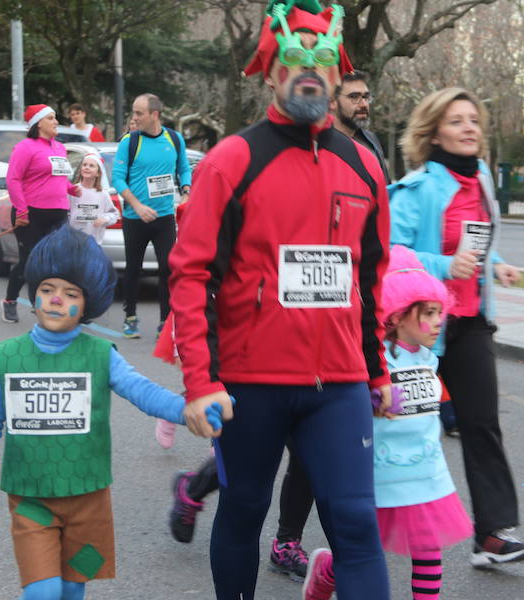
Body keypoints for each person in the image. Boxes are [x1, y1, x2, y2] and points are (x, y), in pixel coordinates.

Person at [168, 2, 394, 598]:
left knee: (356, 524)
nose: (310, 72)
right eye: (295, 60)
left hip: (338, 383)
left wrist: (378, 371)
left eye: (322, 61)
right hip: (250, 382)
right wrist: (200, 381)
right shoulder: (232, 161)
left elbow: (372, 279)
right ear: (271, 73)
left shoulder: (365, 167)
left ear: (339, 76)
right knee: (243, 510)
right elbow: (190, 275)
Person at [0, 225, 187, 600]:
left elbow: (142, 391)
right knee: (43, 593)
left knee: (70, 590)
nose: (56, 300)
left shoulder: (100, 355)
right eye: (47, 289)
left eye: (70, 293)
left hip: (88, 499)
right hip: (30, 498)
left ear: (88, 302)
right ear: (34, 294)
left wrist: (187, 410)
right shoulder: (6, 358)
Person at [389, 87, 524, 570]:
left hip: (469, 323)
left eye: (474, 119)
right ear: (433, 132)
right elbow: (393, 252)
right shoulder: (418, 189)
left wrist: (495, 265)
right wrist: (444, 265)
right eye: (457, 121)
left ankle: (492, 535)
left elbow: (475, 242)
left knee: (481, 425)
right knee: (395, 428)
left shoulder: (483, 180)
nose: (470, 128)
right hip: (419, 328)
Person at [303, 245, 473, 600]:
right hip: (379, 472)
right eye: (428, 312)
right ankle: (326, 571)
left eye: (440, 311)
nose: (439, 320)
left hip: (426, 470)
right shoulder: (372, 363)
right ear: (395, 316)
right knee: (363, 548)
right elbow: (347, 403)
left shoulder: (430, 359)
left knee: (429, 547)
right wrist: (373, 400)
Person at [152, 304, 315, 583]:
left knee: (308, 455)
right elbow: (196, 288)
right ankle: (192, 488)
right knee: (250, 456)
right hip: (245, 359)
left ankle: (287, 543)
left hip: (305, 353)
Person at [112, 93, 192, 338]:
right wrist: (137, 206)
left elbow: (184, 169)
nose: (134, 118)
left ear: (154, 115)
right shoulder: (130, 141)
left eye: (139, 113)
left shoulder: (174, 139)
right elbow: (117, 178)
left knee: (168, 268)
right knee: (133, 268)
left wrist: (186, 192)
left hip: (165, 216)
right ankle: (130, 318)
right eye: (133, 113)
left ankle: (165, 322)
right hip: (136, 218)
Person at [2, 104, 81, 324]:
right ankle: (10, 301)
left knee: (55, 261)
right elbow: (13, 179)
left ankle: (43, 305)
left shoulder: (59, 147)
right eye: (52, 118)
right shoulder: (25, 147)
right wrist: (21, 209)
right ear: (39, 123)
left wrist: (71, 188)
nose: (56, 122)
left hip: (59, 212)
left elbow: (58, 177)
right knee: (29, 261)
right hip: (32, 213)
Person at [331, 70, 389, 182]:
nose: (364, 104)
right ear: (333, 101)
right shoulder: (318, 143)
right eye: (354, 97)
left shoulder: (370, 141)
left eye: (366, 97)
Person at [68, 154, 119, 245]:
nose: (87, 167)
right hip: (73, 242)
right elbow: (65, 213)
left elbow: (114, 214)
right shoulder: (73, 190)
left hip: (94, 242)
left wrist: (104, 219)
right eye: (84, 165)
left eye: (91, 166)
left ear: (98, 173)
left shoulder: (103, 194)